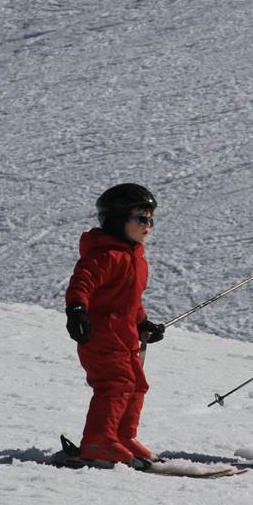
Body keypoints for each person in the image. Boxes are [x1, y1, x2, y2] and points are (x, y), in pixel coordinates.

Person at [64, 183, 167, 465]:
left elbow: (130, 302)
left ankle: (121, 436)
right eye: (141, 219)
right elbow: (81, 284)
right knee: (115, 385)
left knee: (136, 385)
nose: (148, 226)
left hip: (124, 339)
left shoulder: (137, 261)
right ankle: (98, 441)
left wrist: (144, 324)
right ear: (118, 220)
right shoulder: (104, 255)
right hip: (99, 336)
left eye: (151, 220)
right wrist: (76, 311)